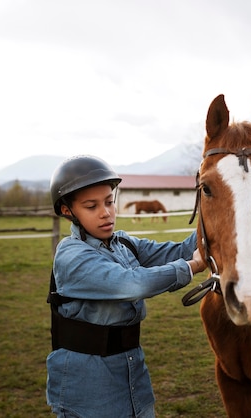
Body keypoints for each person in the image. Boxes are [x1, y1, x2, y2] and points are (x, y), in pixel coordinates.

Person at [45, 155, 206, 418]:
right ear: (67, 211)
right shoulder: (71, 256)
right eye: (91, 206)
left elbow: (180, 250)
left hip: (133, 373)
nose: (105, 212)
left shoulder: (123, 243)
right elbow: (131, 284)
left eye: (109, 202)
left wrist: (219, 208)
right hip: (89, 387)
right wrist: (192, 267)